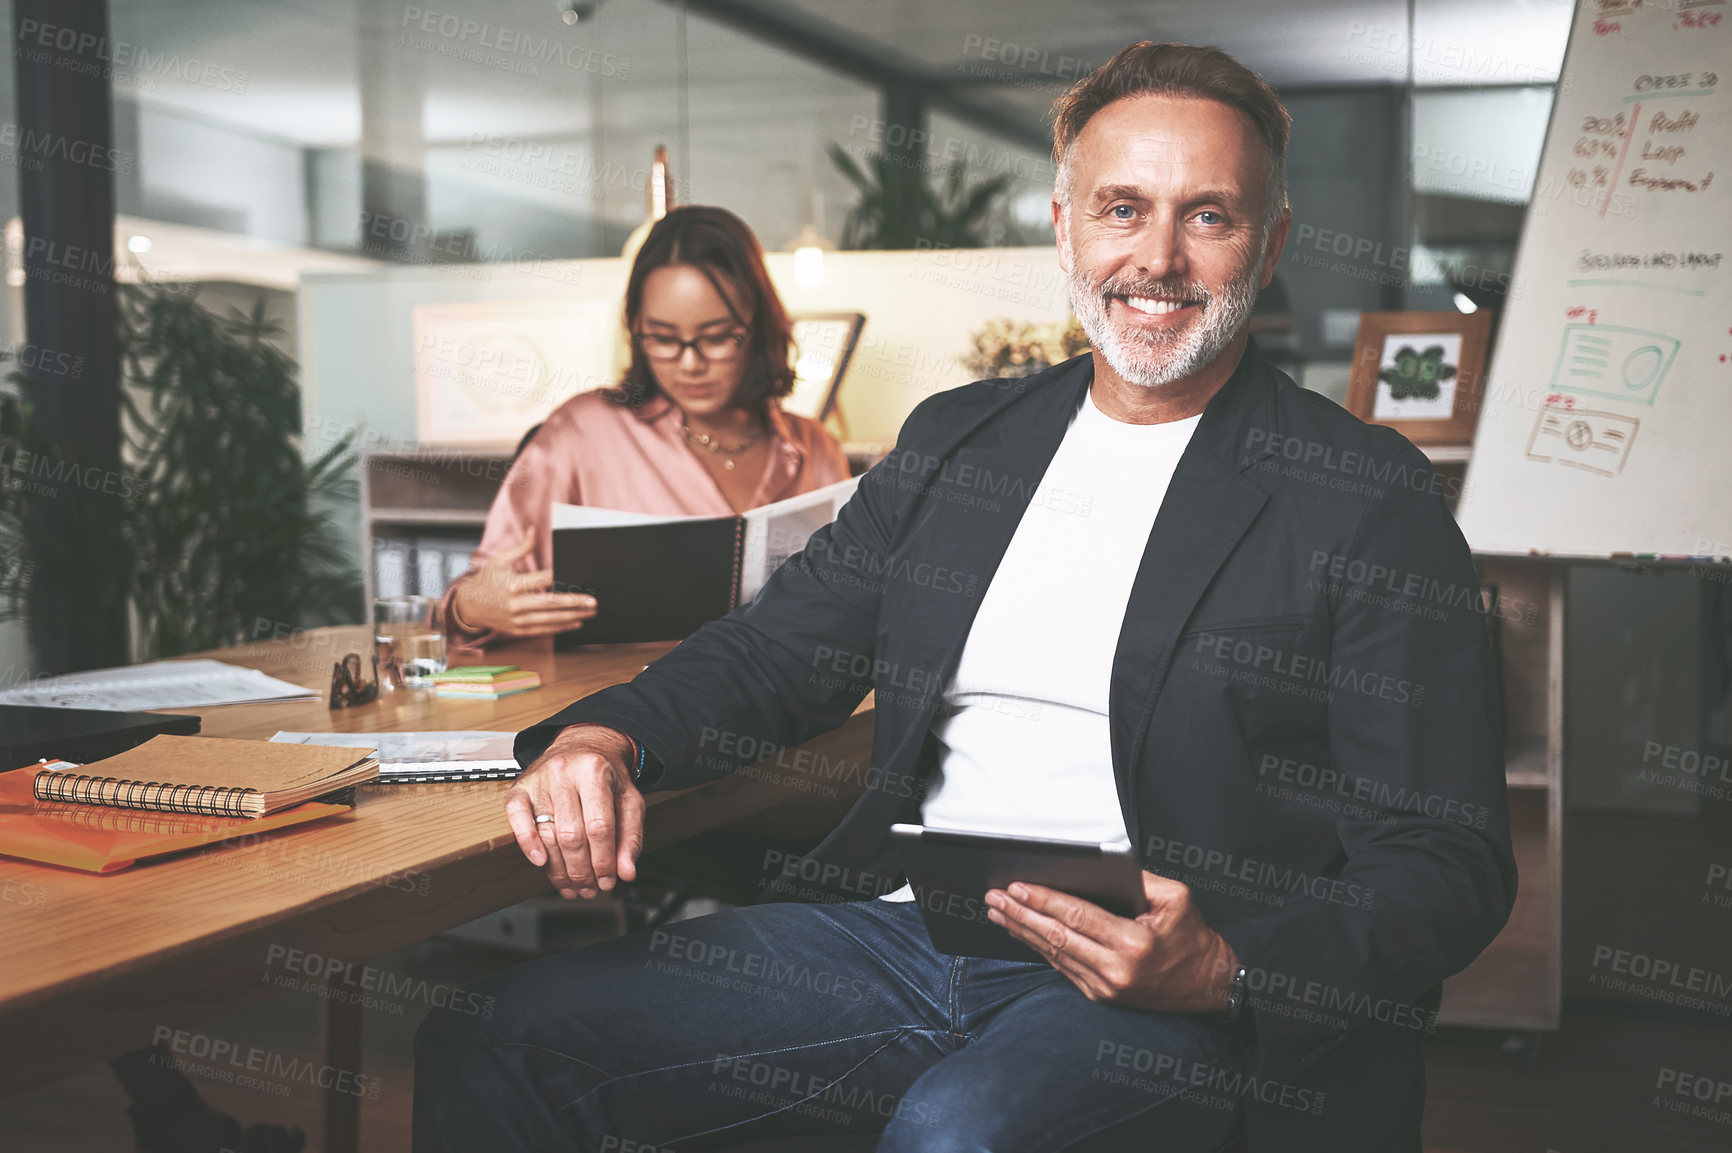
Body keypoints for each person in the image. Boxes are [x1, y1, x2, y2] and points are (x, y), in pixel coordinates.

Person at [414, 42, 1515, 1153]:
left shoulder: (1363, 495)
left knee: (958, 1133)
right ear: (1063, 227)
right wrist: (601, 738)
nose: (1158, 258)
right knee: (500, 1030)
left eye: (1210, 216)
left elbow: (1446, 858)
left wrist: (1227, 967)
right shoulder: (960, 443)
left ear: (1269, 243)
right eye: (1122, 208)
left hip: (1153, 992)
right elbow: (777, 650)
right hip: (904, 937)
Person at [437, 205, 850, 648]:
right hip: (617, 704)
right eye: (664, 339)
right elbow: (473, 595)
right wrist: (470, 608)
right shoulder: (581, 433)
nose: (691, 363)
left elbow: (852, 603)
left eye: (716, 337)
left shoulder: (814, 449)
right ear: (637, 331)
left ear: (759, 328)